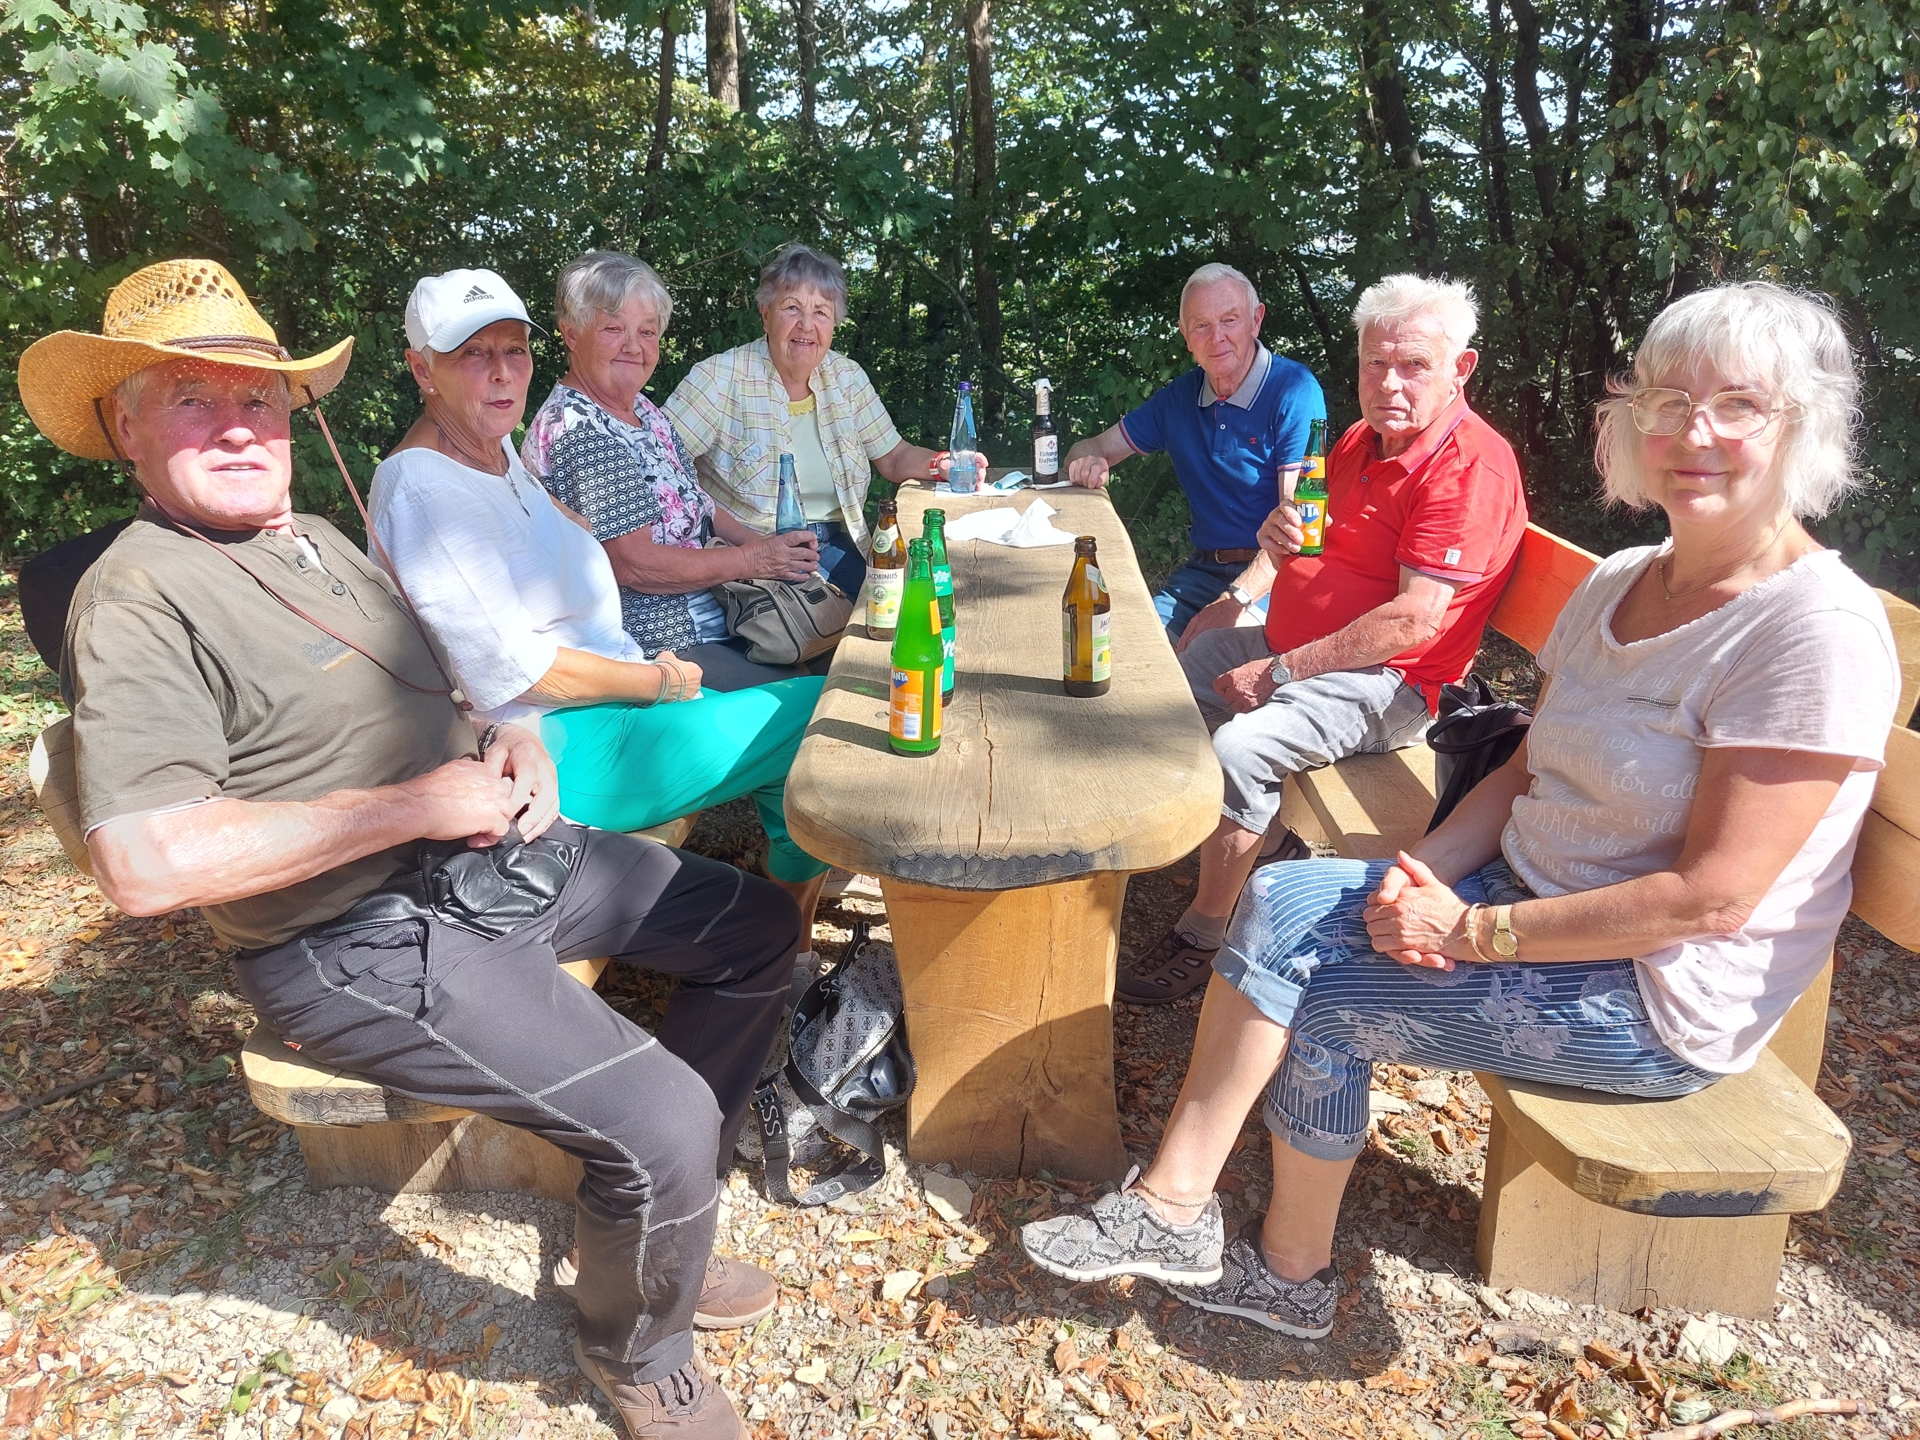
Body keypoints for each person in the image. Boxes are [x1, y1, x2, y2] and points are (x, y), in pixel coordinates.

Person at [1023, 281, 1901, 1345]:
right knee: (1287, 898)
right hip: (1528, 895)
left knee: (1329, 1000)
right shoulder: (1625, 577)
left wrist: (1475, 930)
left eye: (1738, 406)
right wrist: (1425, 870)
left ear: (1802, 425)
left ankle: (1288, 1273)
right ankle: (1175, 1211)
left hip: (1652, 992)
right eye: (1667, 401)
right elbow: (1530, 766)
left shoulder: (1812, 631)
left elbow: (1711, 903)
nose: (1693, 432)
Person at [21, 259, 785, 1438]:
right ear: (123, 425)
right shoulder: (136, 596)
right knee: (669, 1119)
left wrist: (507, 734)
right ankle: (637, 1345)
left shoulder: (317, 531)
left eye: (261, 398)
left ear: (294, 414)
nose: (238, 424)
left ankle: (643, 1229)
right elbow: (145, 863)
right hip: (353, 937)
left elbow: (444, 683)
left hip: (488, 852)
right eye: (191, 399)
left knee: (759, 931)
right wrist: (412, 809)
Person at [369, 268, 835, 990]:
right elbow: (519, 673)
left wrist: (582, 537)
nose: (501, 375)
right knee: (818, 716)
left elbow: (577, 533)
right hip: (555, 751)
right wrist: (659, 682)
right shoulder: (423, 488)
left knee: (801, 723)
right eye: (473, 354)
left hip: (606, 710)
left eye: (513, 351)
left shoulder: (492, 454)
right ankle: (784, 953)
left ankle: (785, 946)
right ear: (420, 367)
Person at [1118, 275, 1528, 1006]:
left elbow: (1414, 621)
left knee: (1239, 749)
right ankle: (1269, 842)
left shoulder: (1466, 467)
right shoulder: (1355, 441)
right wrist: (1243, 590)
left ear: (1460, 369)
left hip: (1394, 681)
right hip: (1298, 642)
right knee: (1160, 680)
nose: (1390, 384)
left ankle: (1204, 928)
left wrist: (1279, 670)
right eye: (1376, 363)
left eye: (1414, 366)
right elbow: (1299, 536)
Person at [522, 250, 823, 692]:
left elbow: (699, 502)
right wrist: (753, 560)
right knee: (818, 699)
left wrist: (768, 547)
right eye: (613, 329)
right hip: (661, 645)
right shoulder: (578, 430)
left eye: (647, 332)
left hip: (724, 614)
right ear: (570, 333)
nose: (634, 345)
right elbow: (635, 566)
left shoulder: (642, 410)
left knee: (849, 652)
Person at [665, 243, 985, 601]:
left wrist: (943, 463)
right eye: (791, 308)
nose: (806, 325)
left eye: (820, 311)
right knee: (887, 611)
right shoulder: (718, 379)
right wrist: (747, 546)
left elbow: (894, 457)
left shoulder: (846, 377)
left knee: (932, 591)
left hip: (841, 543)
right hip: (754, 555)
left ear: (834, 322)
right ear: (765, 313)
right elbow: (662, 471)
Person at [1062, 264, 1327, 640]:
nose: (1216, 337)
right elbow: (1092, 446)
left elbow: (1294, 528)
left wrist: (1235, 601)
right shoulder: (1180, 398)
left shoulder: (1294, 390)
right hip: (1203, 573)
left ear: (1256, 320)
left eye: (1229, 320)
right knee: (1131, 649)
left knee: (1200, 672)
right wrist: (1085, 461)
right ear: (1185, 335)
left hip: (1273, 580)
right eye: (1201, 325)